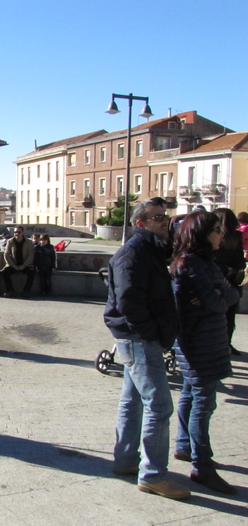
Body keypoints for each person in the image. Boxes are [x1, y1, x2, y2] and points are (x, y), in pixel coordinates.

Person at [104, 197, 189, 500]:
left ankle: (126, 460)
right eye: (156, 217)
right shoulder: (134, 253)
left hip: (138, 338)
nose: (164, 221)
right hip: (139, 340)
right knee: (160, 406)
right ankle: (153, 475)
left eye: (165, 216)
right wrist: (152, 333)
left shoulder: (149, 251)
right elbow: (129, 302)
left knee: (133, 401)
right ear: (139, 224)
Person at [170, 210, 239, 494]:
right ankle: (202, 466)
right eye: (217, 230)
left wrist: (220, 292)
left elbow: (233, 295)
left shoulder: (203, 262)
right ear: (202, 233)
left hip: (202, 342)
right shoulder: (192, 263)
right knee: (203, 403)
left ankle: (185, 447)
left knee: (191, 395)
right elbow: (217, 301)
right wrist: (219, 293)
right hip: (199, 344)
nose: (222, 235)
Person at [213, 208, 245, 356]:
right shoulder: (236, 237)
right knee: (230, 315)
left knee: (216, 314)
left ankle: (219, 344)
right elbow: (240, 261)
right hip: (232, 280)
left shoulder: (213, 237)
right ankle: (227, 344)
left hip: (217, 279)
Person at [1, 226, 35, 298]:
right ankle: (10, 291)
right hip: (13, 265)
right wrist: (13, 265)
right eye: (15, 232)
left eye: (19, 232)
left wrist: (24, 265)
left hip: (24, 265)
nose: (17, 234)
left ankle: (26, 291)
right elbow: (6, 254)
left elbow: (31, 255)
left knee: (32, 272)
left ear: (22, 233)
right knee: (4, 272)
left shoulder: (28, 242)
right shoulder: (10, 241)